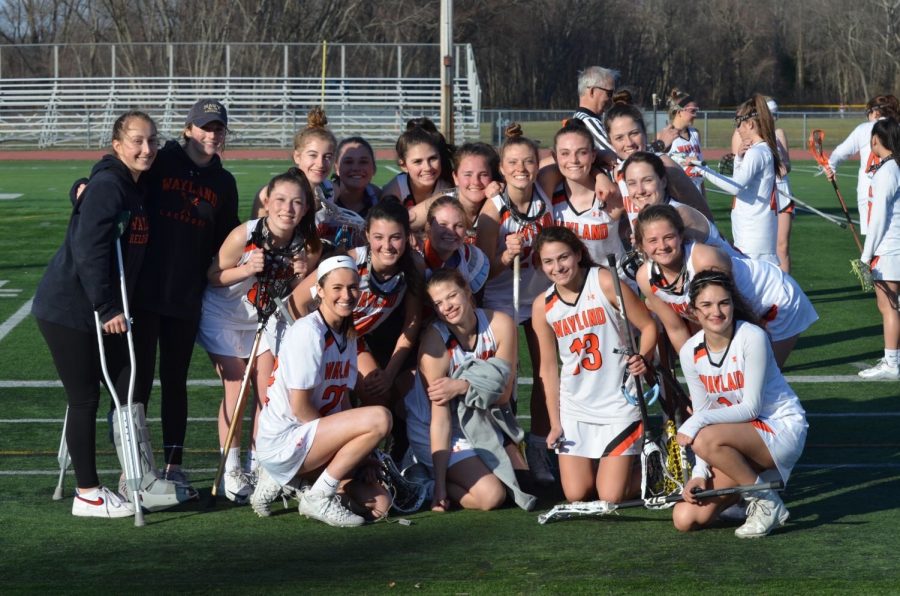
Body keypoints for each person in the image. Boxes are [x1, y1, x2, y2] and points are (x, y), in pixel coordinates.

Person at [32, 110, 157, 518]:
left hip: (100, 307)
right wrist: (106, 307)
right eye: (136, 141)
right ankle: (87, 492)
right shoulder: (109, 185)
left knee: (125, 387)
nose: (146, 148)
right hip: (71, 308)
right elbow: (89, 249)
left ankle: (137, 475)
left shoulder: (131, 183)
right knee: (84, 397)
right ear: (117, 145)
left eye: (151, 140)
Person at [130, 99, 240, 487]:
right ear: (189, 129)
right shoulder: (162, 160)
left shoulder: (223, 183)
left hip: (185, 296)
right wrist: (84, 184)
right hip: (144, 291)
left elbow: (230, 240)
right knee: (137, 381)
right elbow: (120, 176)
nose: (212, 134)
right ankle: (136, 467)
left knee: (174, 380)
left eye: (219, 128)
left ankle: (174, 466)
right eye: (205, 127)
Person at [198, 168, 321, 503]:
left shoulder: (306, 244)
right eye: (280, 200)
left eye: (297, 203)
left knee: (267, 391)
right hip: (223, 316)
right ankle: (232, 470)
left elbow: (294, 292)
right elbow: (213, 275)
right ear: (267, 201)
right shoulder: (245, 234)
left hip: (262, 319)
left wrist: (299, 277)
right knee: (236, 386)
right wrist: (246, 268)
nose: (287, 208)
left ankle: (261, 464)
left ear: (306, 208)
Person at [252, 255, 393, 526]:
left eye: (352, 287)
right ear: (320, 291)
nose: (346, 295)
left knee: (380, 506)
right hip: (286, 439)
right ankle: (317, 495)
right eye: (337, 288)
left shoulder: (347, 333)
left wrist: (363, 455)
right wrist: (341, 443)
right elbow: (300, 408)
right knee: (380, 418)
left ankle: (296, 481)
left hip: (310, 439)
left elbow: (342, 404)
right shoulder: (309, 332)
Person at [672, 271, 808, 538]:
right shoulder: (690, 351)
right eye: (707, 305)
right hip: (735, 438)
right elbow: (703, 410)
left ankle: (765, 502)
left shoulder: (751, 336)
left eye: (724, 303)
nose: (717, 312)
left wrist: (696, 422)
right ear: (693, 312)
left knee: (704, 437)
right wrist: (700, 472)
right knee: (685, 517)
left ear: (733, 304)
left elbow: (752, 409)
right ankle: (754, 493)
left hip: (778, 427)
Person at [531, 227, 657, 502]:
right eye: (548, 261)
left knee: (609, 496)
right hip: (576, 405)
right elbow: (548, 369)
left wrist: (643, 358)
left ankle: (656, 468)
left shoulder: (605, 282)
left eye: (563, 257)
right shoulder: (543, 305)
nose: (557, 267)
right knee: (577, 494)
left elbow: (648, 326)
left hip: (618, 400)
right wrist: (555, 423)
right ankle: (618, 464)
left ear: (578, 254)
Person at [291, 199, 423, 456]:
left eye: (395, 237)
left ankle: (369, 461)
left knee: (377, 393)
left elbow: (412, 323)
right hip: (320, 337)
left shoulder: (413, 266)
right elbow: (297, 300)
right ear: (366, 236)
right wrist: (309, 342)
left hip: (351, 339)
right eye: (379, 237)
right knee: (319, 400)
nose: (387, 245)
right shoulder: (349, 262)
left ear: (408, 236)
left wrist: (390, 373)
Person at [405, 269, 533, 511]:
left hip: (484, 421)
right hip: (443, 430)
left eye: (452, 296)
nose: (447, 307)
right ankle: (425, 481)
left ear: (467, 291)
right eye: (438, 303)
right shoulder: (435, 345)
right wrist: (441, 487)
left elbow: (503, 394)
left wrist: (462, 386)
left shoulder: (500, 324)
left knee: (523, 485)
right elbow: (439, 421)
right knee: (492, 496)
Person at [634, 204, 817, 368]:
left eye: (669, 237)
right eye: (652, 241)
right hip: (738, 311)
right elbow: (676, 329)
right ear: (641, 245)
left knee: (762, 379)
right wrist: (695, 372)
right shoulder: (645, 277)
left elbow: (731, 316)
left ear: (681, 236)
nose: (662, 246)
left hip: (775, 299)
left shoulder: (703, 261)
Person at [475, 123, 555, 484]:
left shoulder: (545, 189)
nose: (521, 168)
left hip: (539, 297)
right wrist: (505, 257)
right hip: (502, 299)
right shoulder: (492, 211)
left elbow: (570, 157)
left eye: (528, 161)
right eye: (512, 163)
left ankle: (540, 446)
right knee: (505, 382)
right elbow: (482, 272)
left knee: (544, 374)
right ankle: (507, 450)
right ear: (501, 169)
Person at [603, 95, 713, 225]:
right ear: (610, 142)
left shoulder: (665, 164)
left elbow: (702, 213)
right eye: (619, 138)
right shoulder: (619, 169)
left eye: (634, 133)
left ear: (644, 132)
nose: (629, 143)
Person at [621, 151, 740, 258]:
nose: (640, 190)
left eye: (647, 180)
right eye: (632, 183)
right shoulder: (653, 215)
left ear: (663, 182)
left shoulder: (680, 214)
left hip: (739, 279)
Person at [544, 120, 626, 264]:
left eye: (582, 152)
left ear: (593, 155)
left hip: (614, 281)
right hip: (569, 281)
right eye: (565, 153)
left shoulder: (611, 192)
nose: (574, 160)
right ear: (555, 156)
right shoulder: (548, 191)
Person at [715, 94, 783, 265]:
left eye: (739, 124)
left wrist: (702, 170)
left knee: (755, 286)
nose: (738, 129)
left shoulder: (757, 152)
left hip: (753, 235)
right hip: (752, 232)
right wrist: (738, 158)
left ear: (750, 124)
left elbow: (735, 187)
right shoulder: (761, 149)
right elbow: (740, 181)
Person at [857, 117, 900, 380]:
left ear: (876, 139)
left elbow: (879, 217)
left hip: (890, 247)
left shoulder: (887, 171)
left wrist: (866, 254)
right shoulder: (893, 167)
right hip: (894, 244)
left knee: (888, 306)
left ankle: (892, 363)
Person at [826, 95, 900, 235]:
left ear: (875, 112)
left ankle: (868, 257)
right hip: (896, 191)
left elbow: (839, 154)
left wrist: (831, 167)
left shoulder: (863, 129)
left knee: (872, 239)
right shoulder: (897, 128)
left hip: (868, 193)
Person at [408, 141, 500, 240]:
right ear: (455, 177)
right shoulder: (443, 201)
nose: (476, 182)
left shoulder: (498, 200)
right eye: (468, 174)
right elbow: (402, 220)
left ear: (492, 177)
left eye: (483, 174)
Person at [422, 196, 490, 298]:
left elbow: (474, 308)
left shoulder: (473, 260)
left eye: (458, 225)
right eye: (443, 225)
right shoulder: (416, 259)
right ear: (429, 227)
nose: (451, 232)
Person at [382, 118, 454, 210]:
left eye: (433, 158)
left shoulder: (446, 187)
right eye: (418, 161)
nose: (427, 167)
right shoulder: (395, 188)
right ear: (403, 165)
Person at [657, 87, 707, 199]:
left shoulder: (695, 134)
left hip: (697, 191)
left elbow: (699, 173)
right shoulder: (664, 135)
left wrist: (704, 200)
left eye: (696, 111)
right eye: (692, 111)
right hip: (678, 193)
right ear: (679, 112)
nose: (695, 115)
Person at [766, 98, 795, 273]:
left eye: (775, 115)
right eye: (771, 115)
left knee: (782, 245)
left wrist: (784, 166)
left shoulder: (779, 134)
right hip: (764, 196)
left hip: (783, 193)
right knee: (765, 245)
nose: (774, 119)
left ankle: (786, 289)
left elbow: (789, 165)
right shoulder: (752, 135)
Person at [572, 66, 619, 155]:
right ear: (592, 91)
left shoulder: (581, 118)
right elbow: (615, 154)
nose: (612, 98)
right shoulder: (588, 121)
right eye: (609, 93)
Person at [331, 136, 381, 218]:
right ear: (336, 168)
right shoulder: (321, 199)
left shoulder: (380, 200)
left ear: (374, 168)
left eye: (363, 162)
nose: (356, 168)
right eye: (348, 162)